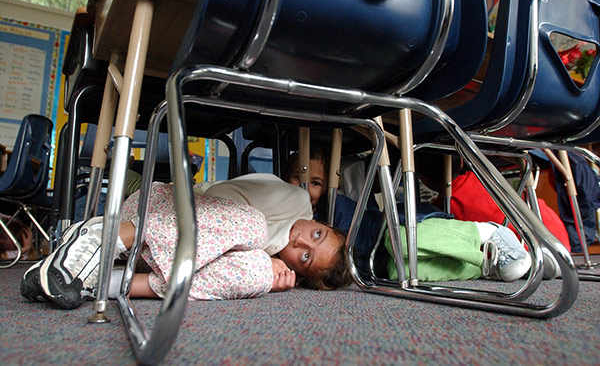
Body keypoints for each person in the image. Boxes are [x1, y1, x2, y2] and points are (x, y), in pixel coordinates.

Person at [21, 173, 353, 310]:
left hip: (153, 260)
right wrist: (255, 243)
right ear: (320, 221)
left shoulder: (271, 263)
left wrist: (267, 269)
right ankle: (101, 238)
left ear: (300, 273)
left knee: (257, 274)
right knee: (252, 226)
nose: (300, 241)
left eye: (306, 257)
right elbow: (212, 201)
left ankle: (103, 283)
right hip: (155, 214)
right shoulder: (294, 200)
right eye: (316, 234)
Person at [283, 146, 533, 283]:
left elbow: (367, 204)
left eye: (316, 183)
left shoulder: (334, 204)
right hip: (381, 267)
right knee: (402, 270)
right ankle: (488, 265)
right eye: (297, 178)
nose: (304, 188)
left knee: (399, 243)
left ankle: (487, 232)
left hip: (402, 228)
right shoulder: (280, 228)